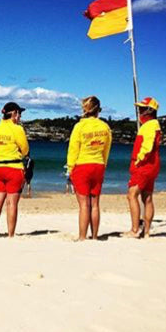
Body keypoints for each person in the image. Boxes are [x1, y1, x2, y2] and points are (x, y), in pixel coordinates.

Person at [66, 96, 112, 241]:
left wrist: (70, 168)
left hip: (82, 166)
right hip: (98, 165)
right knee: (95, 204)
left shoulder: (79, 126)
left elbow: (73, 149)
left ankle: (82, 237)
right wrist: (103, 164)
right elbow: (107, 149)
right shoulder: (105, 127)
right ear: (98, 110)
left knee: (84, 205)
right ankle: (95, 236)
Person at [0, 102, 29, 237]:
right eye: (19, 114)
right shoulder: (17, 129)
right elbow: (25, 150)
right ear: (14, 114)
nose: (20, 117)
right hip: (14, 168)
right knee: (11, 203)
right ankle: (11, 235)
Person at [125, 96, 162, 238]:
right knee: (147, 198)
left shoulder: (150, 125)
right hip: (151, 165)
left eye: (142, 108)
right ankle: (146, 231)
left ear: (149, 110)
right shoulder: (151, 125)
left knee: (131, 195)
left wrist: (139, 160)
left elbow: (148, 146)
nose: (139, 111)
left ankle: (135, 230)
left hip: (145, 165)